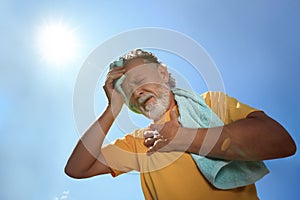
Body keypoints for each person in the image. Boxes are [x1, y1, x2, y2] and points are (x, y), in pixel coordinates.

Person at [65, 49, 296, 200]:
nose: (137, 92)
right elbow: (77, 168)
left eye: (140, 80)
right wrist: (113, 107)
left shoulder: (211, 104)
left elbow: (280, 141)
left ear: (163, 74)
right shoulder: (138, 142)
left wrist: (183, 138)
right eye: (128, 92)